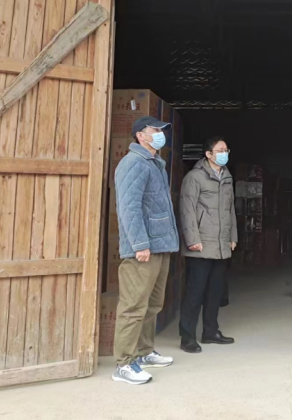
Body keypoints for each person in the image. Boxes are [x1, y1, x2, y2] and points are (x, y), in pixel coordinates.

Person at [112, 116, 179, 385]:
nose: (161, 134)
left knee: (152, 304)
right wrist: (140, 244)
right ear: (141, 135)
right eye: (155, 130)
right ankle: (124, 363)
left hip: (160, 246)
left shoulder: (155, 164)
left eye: (162, 130)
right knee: (133, 306)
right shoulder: (133, 163)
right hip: (143, 249)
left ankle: (144, 351)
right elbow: (129, 208)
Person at [178, 136, 237, 353]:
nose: (224, 153)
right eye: (220, 150)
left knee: (215, 292)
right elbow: (187, 209)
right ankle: (187, 337)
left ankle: (211, 332)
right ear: (208, 154)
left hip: (221, 245)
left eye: (226, 149)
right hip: (201, 244)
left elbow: (230, 210)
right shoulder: (194, 177)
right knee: (195, 293)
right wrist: (192, 239)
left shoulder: (227, 177)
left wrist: (232, 236)